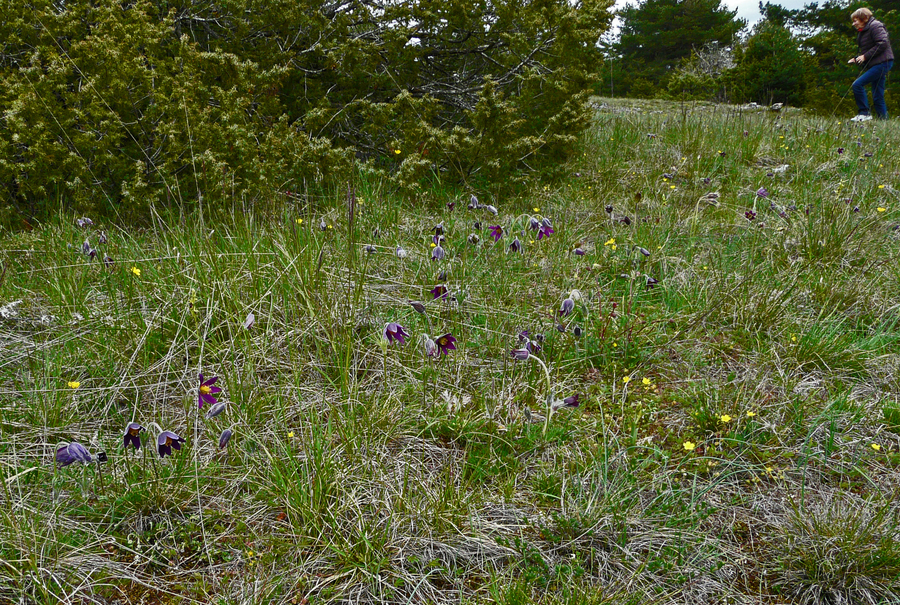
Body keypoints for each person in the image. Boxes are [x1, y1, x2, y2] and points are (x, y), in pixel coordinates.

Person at [848, 8, 894, 121]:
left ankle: (864, 113)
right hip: (877, 64)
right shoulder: (864, 31)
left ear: (864, 18)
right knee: (877, 95)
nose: (853, 24)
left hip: (883, 63)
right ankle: (884, 122)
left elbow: (882, 43)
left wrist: (865, 57)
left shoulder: (875, 25)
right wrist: (857, 58)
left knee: (857, 85)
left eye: (855, 20)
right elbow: (867, 49)